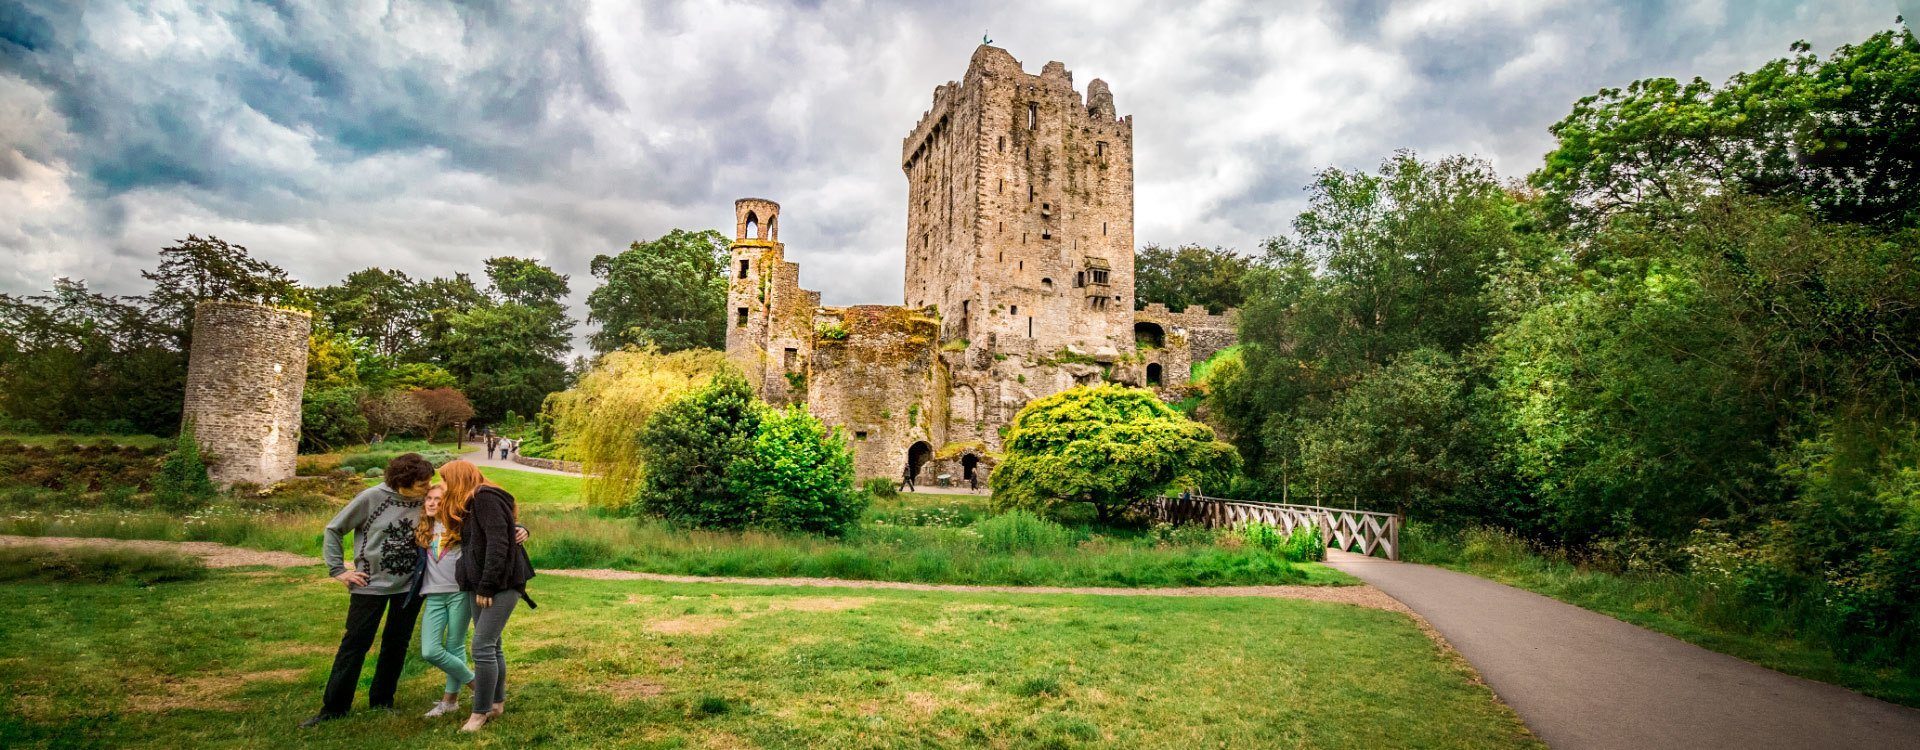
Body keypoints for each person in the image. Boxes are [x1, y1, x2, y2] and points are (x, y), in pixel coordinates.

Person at [302, 453, 435, 728]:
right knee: (354, 646)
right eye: (422, 483)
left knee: (396, 645)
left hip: (409, 587)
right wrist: (339, 571)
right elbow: (334, 529)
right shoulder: (372, 498)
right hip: (369, 585)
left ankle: (383, 701)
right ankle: (334, 708)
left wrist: (518, 528)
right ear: (403, 481)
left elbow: (464, 516)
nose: (428, 486)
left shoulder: (426, 499)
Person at [441, 460, 537, 732]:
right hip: (479, 582)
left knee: (482, 647)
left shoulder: (485, 498)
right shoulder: (470, 504)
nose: (444, 486)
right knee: (492, 647)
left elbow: (499, 543)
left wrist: (487, 586)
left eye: (446, 480)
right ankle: (496, 703)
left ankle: (479, 713)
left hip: (499, 583)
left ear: (459, 479)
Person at [410, 484, 472, 719]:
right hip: (433, 595)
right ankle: (477, 685)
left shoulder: (461, 527)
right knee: (430, 650)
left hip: (459, 593)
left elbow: (495, 527)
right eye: (429, 498)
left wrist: (521, 528)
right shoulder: (423, 528)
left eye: (438, 499)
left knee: (455, 646)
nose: (432, 503)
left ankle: (450, 701)